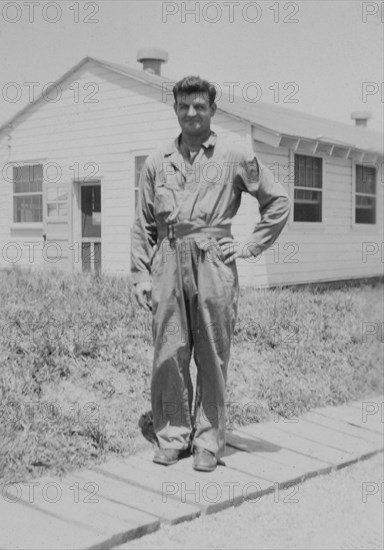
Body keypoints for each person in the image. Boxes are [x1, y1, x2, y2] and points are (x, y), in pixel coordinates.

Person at [131, 76, 290, 472]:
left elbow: (279, 202)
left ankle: (208, 440)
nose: (191, 113)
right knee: (169, 353)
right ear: (175, 110)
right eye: (184, 106)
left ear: (212, 110)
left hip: (213, 261)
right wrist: (141, 275)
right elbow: (143, 224)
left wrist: (250, 246)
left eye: (199, 106)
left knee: (212, 354)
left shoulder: (235, 156)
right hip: (167, 260)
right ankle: (172, 435)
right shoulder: (156, 162)